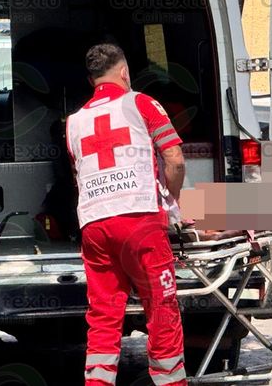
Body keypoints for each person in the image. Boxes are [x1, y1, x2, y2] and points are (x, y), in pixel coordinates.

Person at [66, 44, 187, 386]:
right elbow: (175, 159)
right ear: (124, 72)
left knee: (103, 315)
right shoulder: (140, 103)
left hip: (94, 225)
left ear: (91, 80)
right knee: (161, 306)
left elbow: (79, 176)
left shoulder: (74, 122)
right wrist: (172, 200)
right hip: (139, 221)